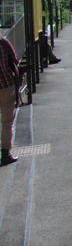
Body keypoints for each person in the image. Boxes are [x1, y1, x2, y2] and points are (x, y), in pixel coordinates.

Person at [0, 36, 19, 166]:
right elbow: (15, 60)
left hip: (6, 86)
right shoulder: (3, 41)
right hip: (6, 86)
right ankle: (6, 153)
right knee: (7, 122)